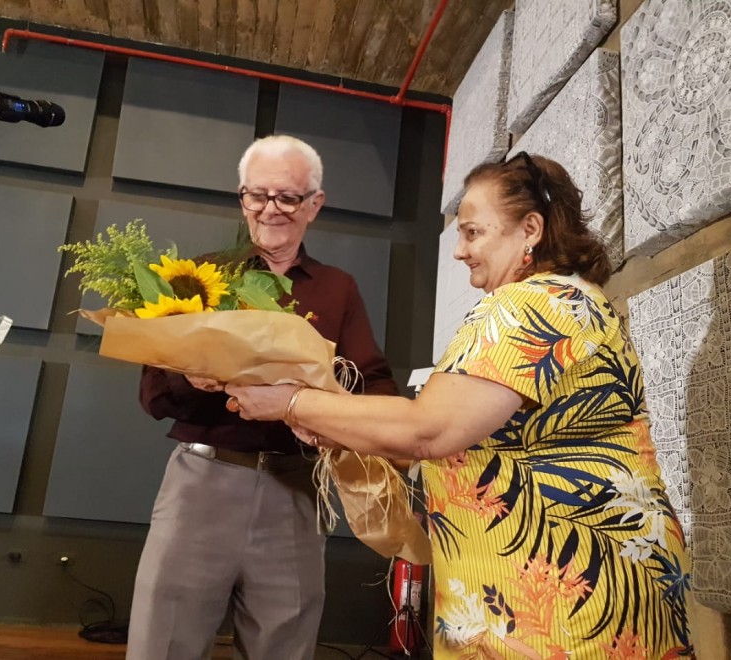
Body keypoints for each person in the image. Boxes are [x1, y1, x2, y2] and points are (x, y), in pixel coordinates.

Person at [227, 153, 694, 658]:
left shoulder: (534, 304)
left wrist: (292, 403)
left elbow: (427, 430)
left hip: (568, 598)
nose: (458, 250)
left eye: (472, 232)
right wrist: (330, 421)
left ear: (530, 229)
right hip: (549, 589)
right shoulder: (565, 300)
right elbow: (443, 445)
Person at [126, 135, 398, 660]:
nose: (272, 209)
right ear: (241, 197)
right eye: (259, 195)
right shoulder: (198, 275)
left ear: (314, 205)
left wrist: (319, 396)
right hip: (201, 484)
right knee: (163, 644)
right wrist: (194, 377)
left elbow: (375, 386)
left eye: (289, 197)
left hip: (296, 489)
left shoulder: (338, 288)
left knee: (284, 645)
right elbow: (153, 395)